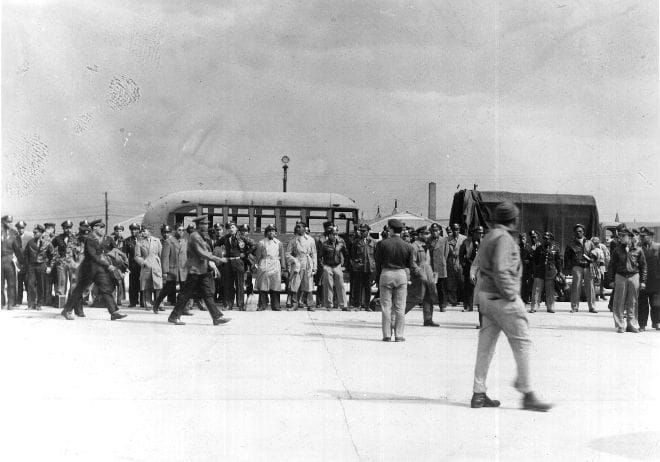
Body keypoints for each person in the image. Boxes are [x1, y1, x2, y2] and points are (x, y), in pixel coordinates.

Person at [471, 201, 552, 412]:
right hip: (503, 298)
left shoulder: (489, 236)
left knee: (485, 347)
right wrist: (511, 295)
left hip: (486, 297)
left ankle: (478, 393)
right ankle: (527, 393)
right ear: (514, 220)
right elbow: (501, 269)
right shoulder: (505, 239)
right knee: (522, 344)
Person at [167, 215, 230, 326]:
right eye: (204, 224)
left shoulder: (201, 236)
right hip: (194, 271)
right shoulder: (195, 236)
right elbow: (202, 253)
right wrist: (218, 259)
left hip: (202, 270)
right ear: (198, 225)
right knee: (185, 294)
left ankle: (217, 317)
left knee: (207, 294)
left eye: (207, 224)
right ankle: (174, 316)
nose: (206, 226)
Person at [61, 220, 127, 320]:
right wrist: (107, 265)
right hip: (88, 269)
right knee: (79, 290)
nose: (103, 230)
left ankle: (114, 312)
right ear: (95, 228)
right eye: (100, 228)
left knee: (105, 289)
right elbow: (94, 255)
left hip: (99, 269)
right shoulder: (90, 239)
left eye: (103, 228)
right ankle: (66, 310)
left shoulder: (99, 239)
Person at [375, 218, 417, 342]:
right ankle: (399, 335)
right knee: (400, 307)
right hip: (401, 274)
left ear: (390, 229)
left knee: (386, 307)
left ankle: (387, 335)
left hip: (386, 273)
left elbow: (378, 263)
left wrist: (378, 277)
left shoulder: (382, 244)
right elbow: (409, 264)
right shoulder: (408, 246)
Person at [609, 227, 647, 333]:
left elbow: (643, 266)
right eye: (620, 235)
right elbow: (611, 265)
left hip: (634, 276)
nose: (620, 238)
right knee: (619, 301)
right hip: (620, 276)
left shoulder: (638, 250)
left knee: (633, 301)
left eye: (623, 236)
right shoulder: (617, 250)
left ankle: (632, 324)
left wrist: (643, 281)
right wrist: (611, 280)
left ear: (629, 237)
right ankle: (620, 325)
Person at [405, 226, 438, 326]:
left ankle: (428, 319)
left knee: (429, 296)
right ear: (420, 235)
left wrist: (433, 273)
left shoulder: (427, 245)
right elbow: (412, 262)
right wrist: (419, 273)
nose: (428, 235)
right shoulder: (414, 246)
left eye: (428, 233)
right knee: (416, 296)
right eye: (426, 233)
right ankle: (398, 316)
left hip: (428, 273)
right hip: (419, 274)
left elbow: (429, 261)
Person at [217, 222, 255, 310]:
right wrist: (221, 254)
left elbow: (253, 245)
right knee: (228, 285)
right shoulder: (225, 238)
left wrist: (245, 254)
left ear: (236, 229)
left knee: (239, 284)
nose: (231, 229)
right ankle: (228, 304)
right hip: (228, 263)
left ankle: (240, 305)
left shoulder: (241, 237)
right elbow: (216, 244)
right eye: (229, 228)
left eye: (233, 227)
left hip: (238, 262)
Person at [153, 223, 188, 313]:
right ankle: (157, 304)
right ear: (175, 231)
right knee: (167, 289)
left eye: (183, 230)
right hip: (172, 270)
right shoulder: (168, 242)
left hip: (183, 271)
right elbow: (164, 258)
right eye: (179, 230)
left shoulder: (185, 242)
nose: (181, 232)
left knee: (184, 290)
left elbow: (186, 256)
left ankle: (183, 308)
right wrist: (165, 272)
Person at [564, 224, 597, 313]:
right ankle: (574, 307)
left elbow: (595, 252)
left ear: (583, 232)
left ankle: (592, 307)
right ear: (574, 232)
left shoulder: (589, 243)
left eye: (580, 231)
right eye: (577, 231)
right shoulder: (571, 244)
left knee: (590, 287)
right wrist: (569, 268)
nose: (578, 233)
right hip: (577, 267)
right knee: (576, 287)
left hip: (587, 266)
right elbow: (567, 257)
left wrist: (592, 259)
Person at [286, 221, 317, 311]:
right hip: (297, 265)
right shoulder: (293, 241)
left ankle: (310, 305)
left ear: (304, 228)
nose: (297, 228)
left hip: (308, 263)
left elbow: (314, 254)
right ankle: (294, 305)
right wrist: (294, 260)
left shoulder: (311, 240)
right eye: (297, 227)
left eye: (299, 227)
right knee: (295, 285)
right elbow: (288, 254)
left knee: (309, 285)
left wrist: (315, 267)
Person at [254, 224, 285, 311]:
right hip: (265, 263)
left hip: (275, 264)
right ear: (266, 233)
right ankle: (262, 305)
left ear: (275, 232)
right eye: (269, 231)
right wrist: (257, 266)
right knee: (263, 285)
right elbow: (258, 256)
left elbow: (282, 256)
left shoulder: (279, 243)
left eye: (273, 231)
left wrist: (283, 267)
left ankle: (276, 305)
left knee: (275, 285)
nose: (271, 233)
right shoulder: (261, 243)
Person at [24, 224, 55, 310]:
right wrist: (27, 266)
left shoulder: (47, 243)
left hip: (41, 266)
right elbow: (26, 255)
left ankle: (39, 304)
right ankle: (31, 304)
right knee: (30, 285)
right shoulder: (30, 242)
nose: (34, 234)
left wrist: (50, 267)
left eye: (36, 232)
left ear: (41, 233)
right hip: (32, 266)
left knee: (41, 285)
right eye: (33, 232)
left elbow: (53, 256)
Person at [530, 232, 562, 313]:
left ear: (551, 239)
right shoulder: (539, 249)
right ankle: (534, 306)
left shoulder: (556, 249)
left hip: (550, 272)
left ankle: (550, 306)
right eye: (544, 238)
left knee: (550, 290)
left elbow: (558, 261)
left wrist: (559, 272)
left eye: (547, 238)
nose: (545, 240)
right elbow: (534, 261)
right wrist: (534, 271)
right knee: (536, 289)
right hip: (539, 271)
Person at [318, 226, 348, 311]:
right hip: (328, 266)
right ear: (329, 235)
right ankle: (329, 305)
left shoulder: (341, 243)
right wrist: (323, 266)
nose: (335, 236)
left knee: (340, 285)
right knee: (328, 285)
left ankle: (343, 305)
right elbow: (319, 257)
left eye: (336, 234)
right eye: (333, 234)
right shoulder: (324, 245)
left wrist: (344, 265)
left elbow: (346, 254)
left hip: (337, 266)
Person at [348, 223, 376, 310]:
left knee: (368, 287)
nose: (362, 233)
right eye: (361, 231)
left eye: (364, 231)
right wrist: (354, 263)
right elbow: (352, 255)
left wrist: (375, 266)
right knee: (358, 287)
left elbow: (376, 255)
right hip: (359, 268)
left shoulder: (373, 242)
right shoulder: (356, 242)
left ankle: (367, 305)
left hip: (369, 268)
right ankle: (357, 305)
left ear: (368, 231)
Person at [51, 220, 80, 304]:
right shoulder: (58, 238)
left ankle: (72, 301)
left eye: (70, 228)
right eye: (66, 228)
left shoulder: (75, 238)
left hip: (72, 262)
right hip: (62, 262)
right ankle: (61, 301)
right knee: (62, 281)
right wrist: (56, 258)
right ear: (63, 228)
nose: (69, 230)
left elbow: (80, 249)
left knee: (73, 281)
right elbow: (51, 249)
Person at [135, 226, 163, 309]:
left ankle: (159, 303)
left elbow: (161, 254)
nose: (143, 233)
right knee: (147, 285)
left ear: (149, 231)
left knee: (158, 285)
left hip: (156, 265)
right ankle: (148, 303)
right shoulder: (139, 243)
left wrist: (161, 264)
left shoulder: (157, 241)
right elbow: (137, 256)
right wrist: (143, 262)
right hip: (146, 266)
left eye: (144, 231)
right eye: (142, 231)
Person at [639, 227, 660, 330]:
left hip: (656, 281)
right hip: (642, 280)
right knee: (642, 304)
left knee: (656, 304)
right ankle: (642, 324)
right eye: (640, 236)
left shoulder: (658, 247)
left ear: (650, 236)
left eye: (643, 236)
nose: (641, 238)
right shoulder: (638, 248)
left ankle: (656, 322)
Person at [459, 226, 483, 312]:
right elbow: (461, 254)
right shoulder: (466, 242)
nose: (480, 235)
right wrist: (463, 264)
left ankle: (480, 306)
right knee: (468, 287)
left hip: (480, 267)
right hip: (469, 265)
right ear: (474, 233)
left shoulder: (483, 242)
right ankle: (469, 306)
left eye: (481, 233)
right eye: (479, 233)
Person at [1, 215, 23, 309]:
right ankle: (1, 303)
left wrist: (21, 262)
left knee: (11, 283)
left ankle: (11, 303)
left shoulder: (14, 233)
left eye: (11, 222)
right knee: (0, 284)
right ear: (3, 222)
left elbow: (17, 249)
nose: (10, 224)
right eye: (8, 222)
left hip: (10, 260)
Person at [428, 222, 449, 312]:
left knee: (441, 287)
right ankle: (430, 304)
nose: (434, 232)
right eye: (432, 231)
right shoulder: (428, 240)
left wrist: (442, 262)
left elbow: (446, 253)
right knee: (430, 286)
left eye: (436, 231)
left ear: (440, 231)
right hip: (431, 266)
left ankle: (442, 304)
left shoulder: (444, 240)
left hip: (440, 266)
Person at [446, 223, 466, 306]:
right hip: (450, 263)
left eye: (457, 229)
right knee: (451, 283)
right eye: (454, 229)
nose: (455, 231)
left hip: (460, 262)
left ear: (459, 229)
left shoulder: (464, 239)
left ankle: (463, 299)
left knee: (462, 281)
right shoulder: (447, 239)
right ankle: (452, 300)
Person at [122, 223, 142, 307]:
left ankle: (143, 302)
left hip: (142, 265)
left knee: (142, 283)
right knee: (133, 284)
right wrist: (125, 266)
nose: (134, 231)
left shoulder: (142, 240)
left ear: (139, 230)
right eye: (132, 230)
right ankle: (133, 302)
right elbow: (124, 255)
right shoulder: (127, 241)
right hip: (132, 266)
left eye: (136, 229)